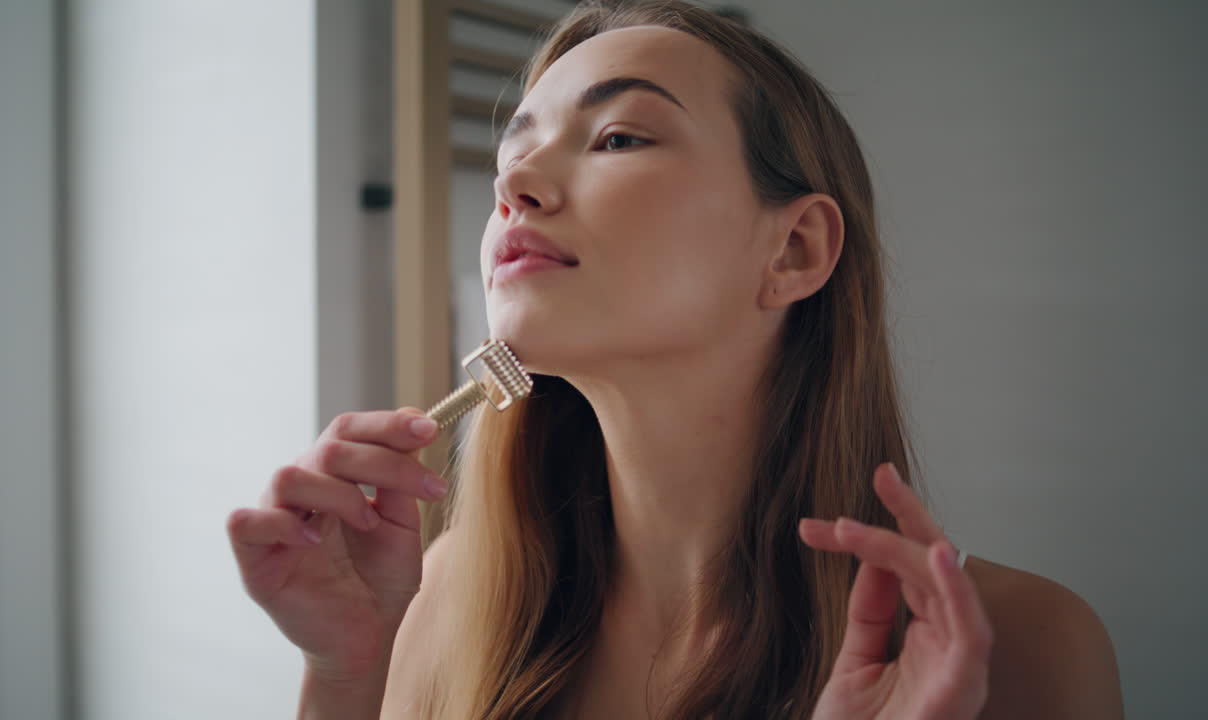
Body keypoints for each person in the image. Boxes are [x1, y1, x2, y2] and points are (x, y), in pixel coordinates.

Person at [227, 2, 1125, 718]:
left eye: (619, 136)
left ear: (796, 251)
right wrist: (343, 677)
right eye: (515, 148)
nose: (512, 186)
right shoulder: (449, 594)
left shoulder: (1026, 646)